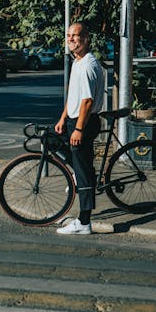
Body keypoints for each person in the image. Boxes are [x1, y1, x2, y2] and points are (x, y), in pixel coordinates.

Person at [55, 22, 106, 235]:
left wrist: (78, 130)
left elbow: (86, 101)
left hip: (84, 122)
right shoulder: (78, 61)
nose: (71, 39)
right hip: (74, 119)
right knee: (49, 139)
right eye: (68, 36)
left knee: (84, 173)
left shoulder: (87, 65)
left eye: (75, 36)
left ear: (85, 38)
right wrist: (62, 118)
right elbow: (73, 96)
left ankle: (84, 222)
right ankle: (78, 172)